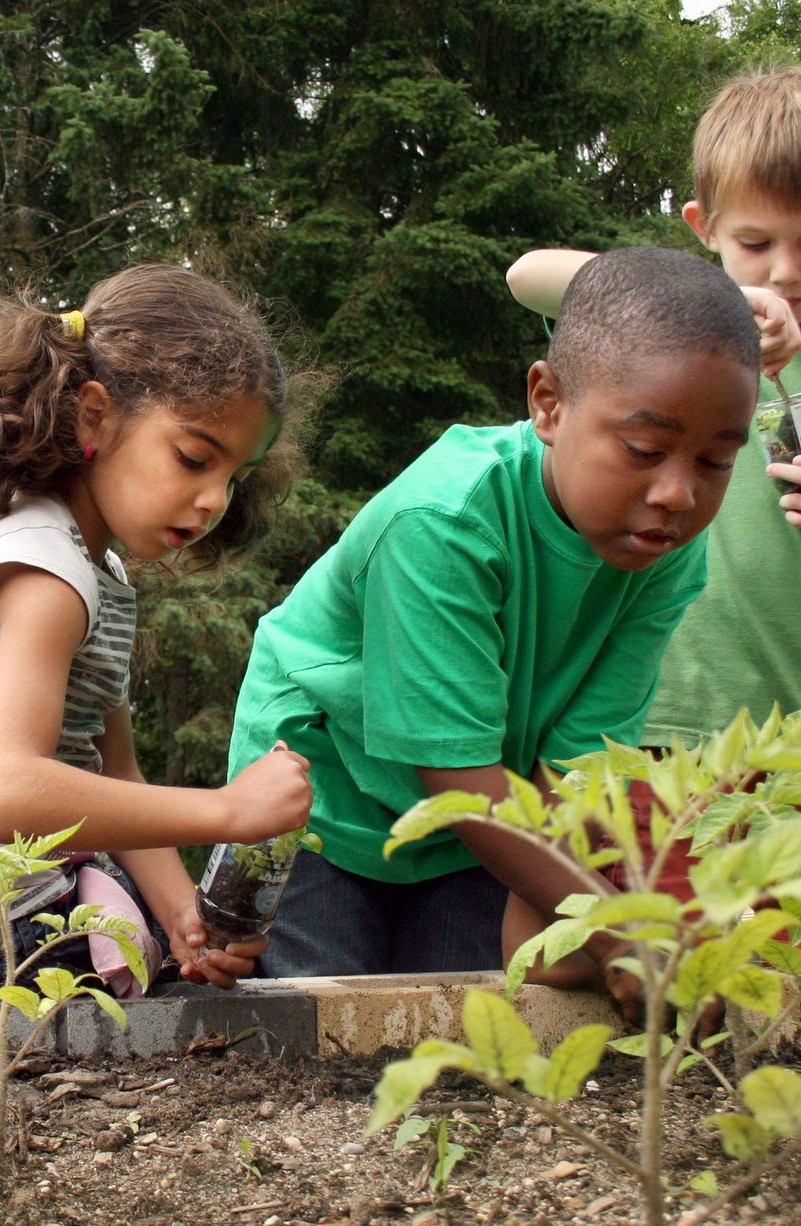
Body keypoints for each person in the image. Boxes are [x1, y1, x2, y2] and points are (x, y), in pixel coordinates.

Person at [507, 66, 801, 953]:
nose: (785, 273)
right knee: (657, 981)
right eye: (754, 244)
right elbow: (529, 274)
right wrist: (707, 302)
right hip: (655, 734)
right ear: (702, 226)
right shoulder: (656, 342)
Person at [227, 246, 760, 990]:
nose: (677, 492)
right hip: (324, 794)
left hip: (480, 815)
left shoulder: (668, 553)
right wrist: (613, 931)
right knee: (320, 1034)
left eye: (715, 462)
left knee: (477, 1027)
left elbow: (581, 759)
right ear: (548, 403)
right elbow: (451, 767)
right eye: (645, 448)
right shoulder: (443, 522)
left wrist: (565, 914)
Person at [0, 265, 314, 1003]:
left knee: (171, 959)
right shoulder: (46, 573)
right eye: (195, 458)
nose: (213, 499)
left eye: (236, 475)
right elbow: (5, 795)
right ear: (94, 417)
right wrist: (226, 809)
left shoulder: (92, 571)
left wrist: (179, 914)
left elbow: (115, 772)